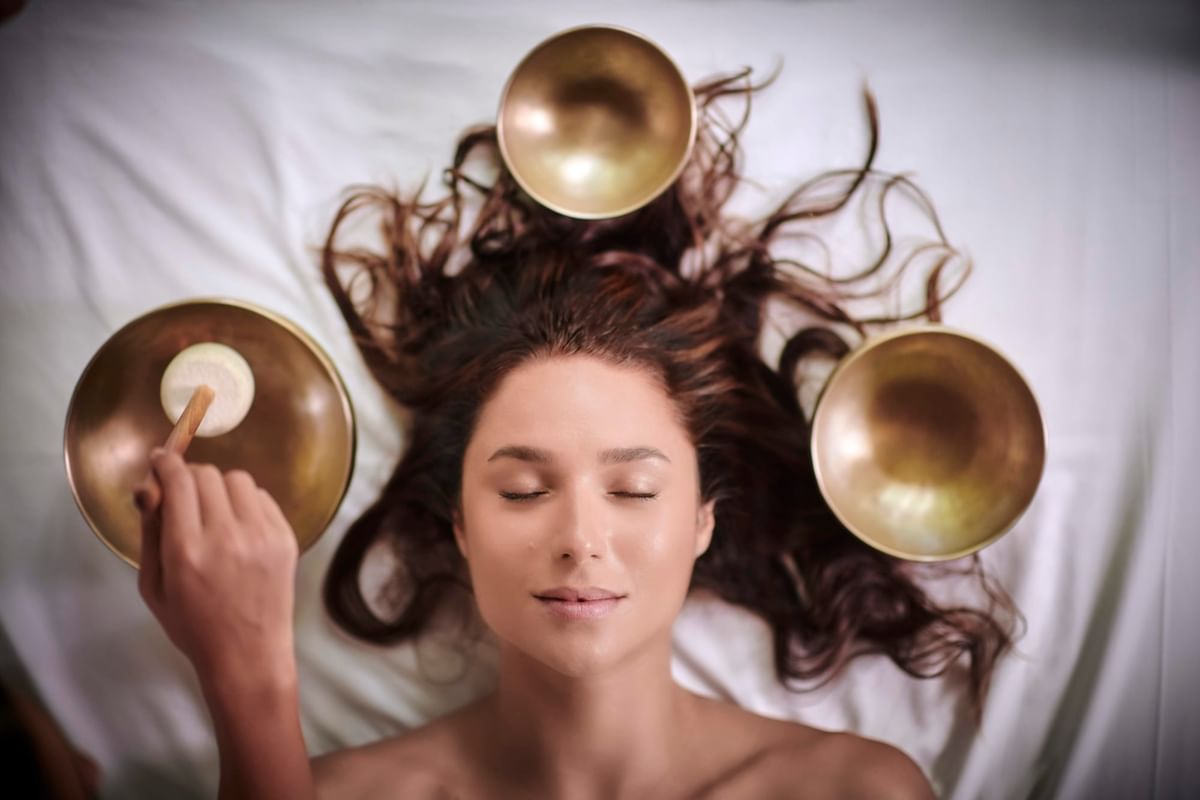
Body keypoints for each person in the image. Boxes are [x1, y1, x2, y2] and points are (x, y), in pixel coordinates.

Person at [137, 69, 1017, 799]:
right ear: (460, 527)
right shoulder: (311, 788)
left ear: (703, 521)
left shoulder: (853, 791)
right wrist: (248, 679)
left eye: (634, 489)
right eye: (523, 489)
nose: (579, 541)